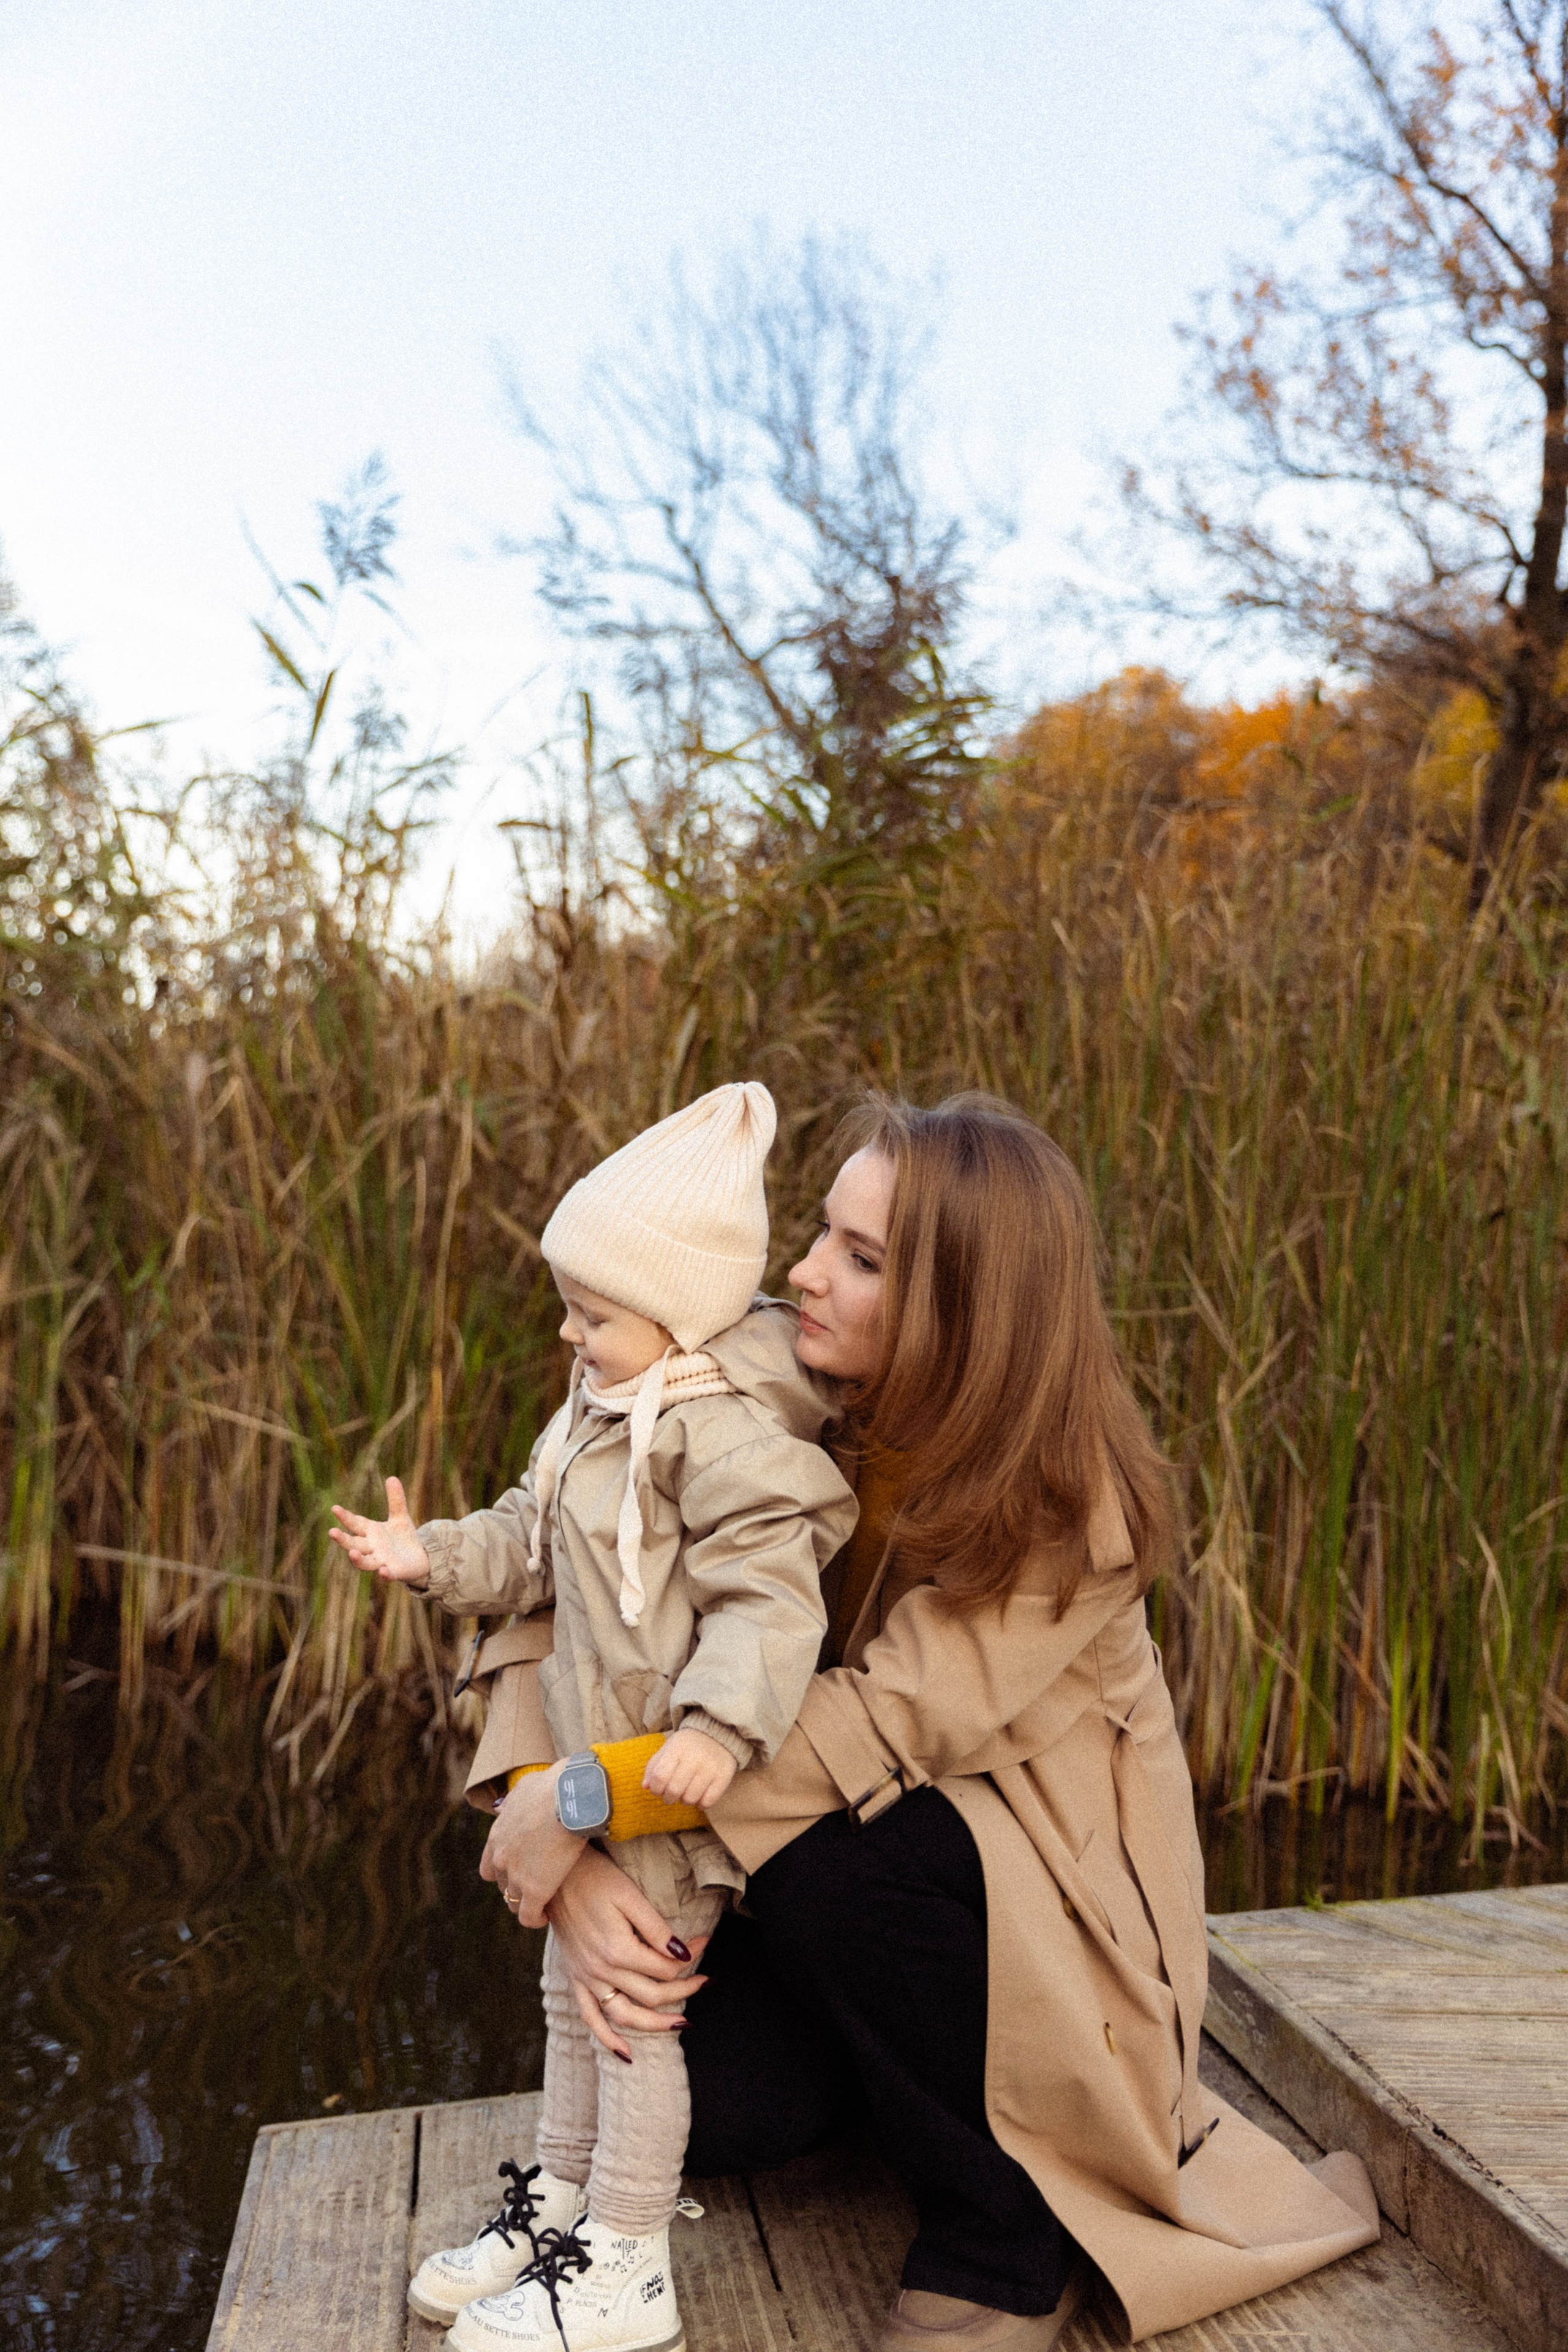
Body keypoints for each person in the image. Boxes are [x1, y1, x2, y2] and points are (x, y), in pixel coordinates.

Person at [481, 1095, 1382, 2352]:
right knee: (728, 2118)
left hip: (1037, 1926)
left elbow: (862, 1732)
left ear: (968, 1306)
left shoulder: (1069, 1507)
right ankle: (896, 2094)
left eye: (861, 1260)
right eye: (820, 1234)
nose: (801, 1272)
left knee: (837, 1861)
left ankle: (1002, 2234)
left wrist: (585, 1801)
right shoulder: (756, 1382)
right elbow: (553, 1569)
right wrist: (564, 1845)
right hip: (776, 1848)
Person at [330, 1082, 856, 2352]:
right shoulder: (596, 1411)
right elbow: (527, 1542)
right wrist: (431, 1556)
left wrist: (719, 1733)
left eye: (593, 1314)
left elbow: (768, 1601)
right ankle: (563, 2199)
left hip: (666, 1779)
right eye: (567, 1307)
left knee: (636, 2014)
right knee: (575, 1993)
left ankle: (625, 2252)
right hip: (591, 1758)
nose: (569, 1335)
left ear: (676, 1311)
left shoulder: (724, 1436)